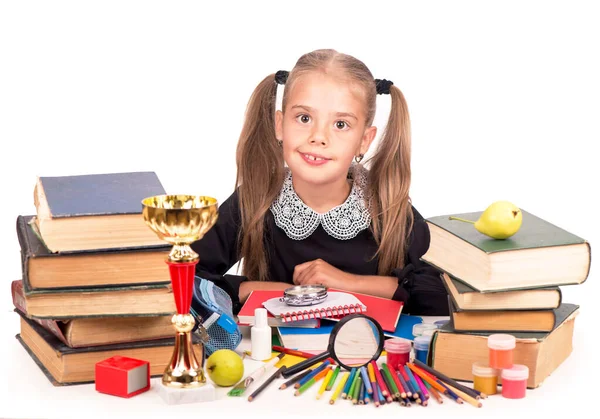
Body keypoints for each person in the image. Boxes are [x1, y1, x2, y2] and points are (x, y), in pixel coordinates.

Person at [191, 49, 448, 316]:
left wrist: (347, 283)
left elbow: (445, 293)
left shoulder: (387, 206)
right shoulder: (255, 200)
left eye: (340, 124)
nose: (318, 137)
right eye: (304, 118)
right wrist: (275, 291)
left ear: (364, 140)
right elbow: (185, 278)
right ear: (280, 125)